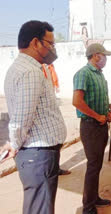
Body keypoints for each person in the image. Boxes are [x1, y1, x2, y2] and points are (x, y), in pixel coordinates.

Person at [2, 20, 67, 214]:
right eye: (50, 43)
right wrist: (13, 144)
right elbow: (21, 118)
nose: (52, 49)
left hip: (38, 154)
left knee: (39, 207)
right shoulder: (30, 72)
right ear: (35, 43)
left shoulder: (25, 68)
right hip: (38, 155)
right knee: (40, 208)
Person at [72, 43, 111, 214]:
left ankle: (94, 197)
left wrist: (107, 113)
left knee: (96, 165)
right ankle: (87, 206)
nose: (106, 59)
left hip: (101, 125)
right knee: (93, 166)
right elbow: (77, 102)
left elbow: (102, 99)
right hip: (91, 126)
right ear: (96, 55)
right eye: (104, 56)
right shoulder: (83, 74)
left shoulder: (99, 75)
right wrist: (97, 116)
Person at [41, 64, 71, 176]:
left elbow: (52, 84)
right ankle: (49, 170)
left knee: (56, 143)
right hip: (43, 114)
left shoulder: (49, 68)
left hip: (51, 108)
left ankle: (55, 168)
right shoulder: (39, 68)